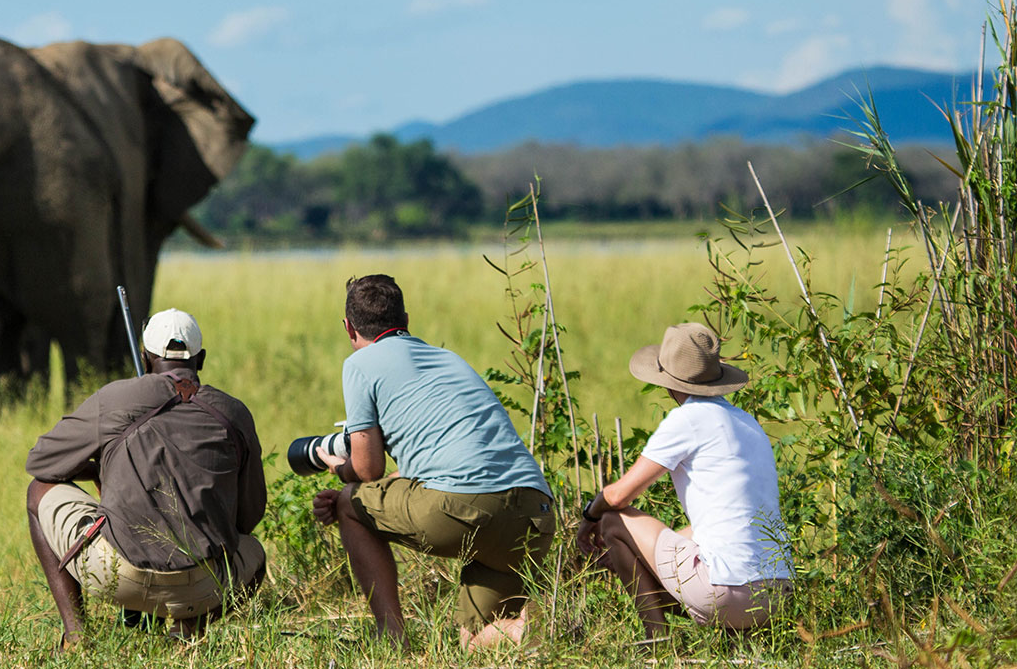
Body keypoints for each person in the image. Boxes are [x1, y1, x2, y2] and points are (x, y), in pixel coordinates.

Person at [311, 275, 556, 650]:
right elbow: (433, 461)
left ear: (349, 328)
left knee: (348, 501)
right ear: (406, 320)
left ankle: (392, 637)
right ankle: (526, 630)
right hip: (534, 514)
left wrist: (337, 468)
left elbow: (367, 470)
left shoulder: (360, 363)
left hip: (464, 510)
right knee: (473, 642)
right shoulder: (447, 358)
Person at [24, 308, 266, 648]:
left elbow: (41, 463)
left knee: (38, 492)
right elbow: (250, 517)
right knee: (254, 553)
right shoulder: (233, 412)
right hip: (204, 586)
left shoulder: (115, 398)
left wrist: (97, 468)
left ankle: (76, 636)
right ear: (202, 359)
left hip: (115, 576)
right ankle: (187, 632)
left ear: (144, 357)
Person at [577, 323, 793, 636]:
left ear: (667, 382)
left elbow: (617, 496)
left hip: (723, 594)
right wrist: (645, 559)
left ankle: (656, 643)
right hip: (776, 597)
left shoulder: (688, 418)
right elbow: (719, 523)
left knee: (613, 521)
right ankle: (737, 640)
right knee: (696, 537)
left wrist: (587, 519)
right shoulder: (748, 424)